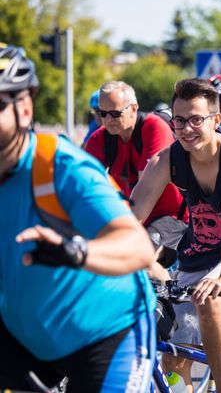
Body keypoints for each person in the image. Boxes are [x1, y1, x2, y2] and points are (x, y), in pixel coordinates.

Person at [0, 45, 156, 391]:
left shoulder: (59, 167)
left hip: (107, 332)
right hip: (26, 335)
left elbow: (138, 248)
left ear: (24, 109)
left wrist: (76, 252)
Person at [130, 78, 221, 393]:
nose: (186, 129)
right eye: (179, 120)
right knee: (173, 359)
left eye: (196, 119)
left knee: (211, 300)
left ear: (216, 119)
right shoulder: (167, 160)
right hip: (197, 259)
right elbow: (131, 217)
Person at [85, 81, 188, 259]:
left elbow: (146, 190)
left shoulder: (154, 128)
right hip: (133, 218)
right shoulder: (99, 139)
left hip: (171, 217)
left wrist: (120, 233)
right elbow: (87, 188)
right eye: (103, 113)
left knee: (136, 255)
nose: (108, 119)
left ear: (133, 108)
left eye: (115, 113)